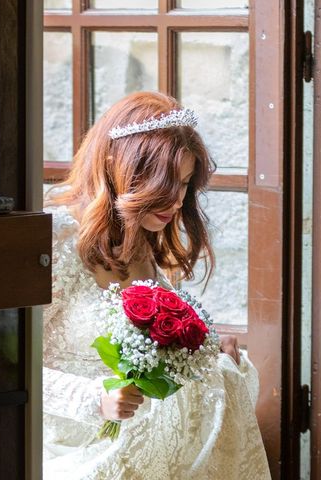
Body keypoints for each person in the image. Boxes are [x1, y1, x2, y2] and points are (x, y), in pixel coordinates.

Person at [43, 91, 270, 479]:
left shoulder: (140, 237)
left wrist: (207, 348)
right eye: (163, 186)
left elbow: (156, 354)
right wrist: (95, 400)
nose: (177, 203)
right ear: (119, 170)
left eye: (183, 185)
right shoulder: (55, 241)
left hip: (144, 435)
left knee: (218, 383)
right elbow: (11, 368)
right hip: (77, 438)